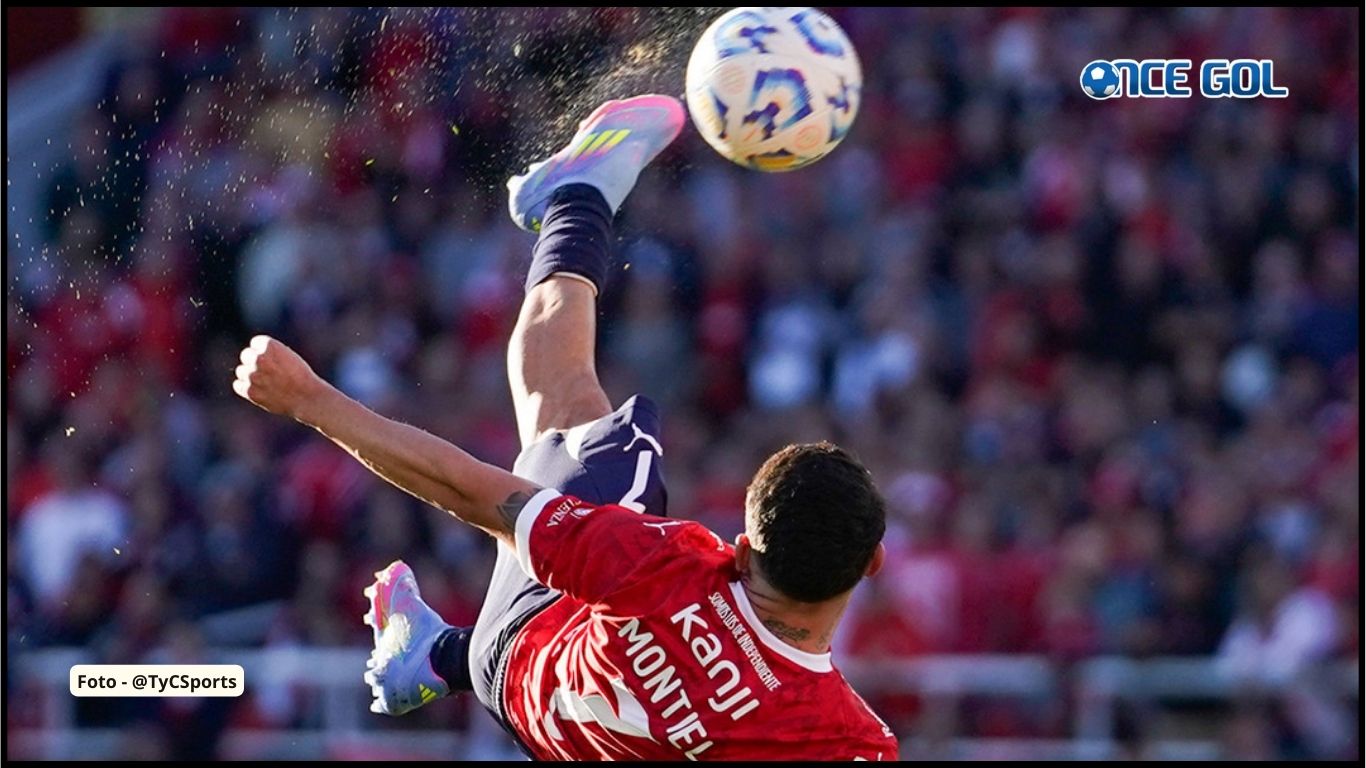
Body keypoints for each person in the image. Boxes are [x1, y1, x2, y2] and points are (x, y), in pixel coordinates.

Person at [232, 94, 898, 760]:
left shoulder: (666, 566)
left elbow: (468, 489)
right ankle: (436, 656)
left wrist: (310, 400)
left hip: (525, 649)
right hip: (524, 709)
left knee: (574, 411)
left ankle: (580, 192)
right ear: (873, 563)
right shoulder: (852, 742)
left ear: (746, 549)